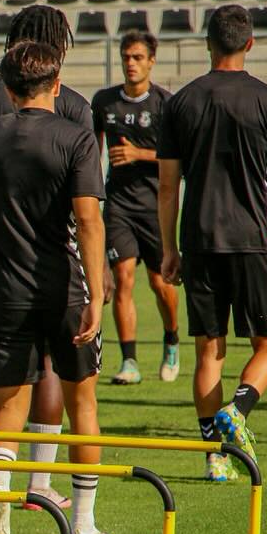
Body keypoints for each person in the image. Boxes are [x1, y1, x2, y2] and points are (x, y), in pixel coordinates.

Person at [0, 5, 92, 512]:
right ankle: (41, 479)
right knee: (48, 364)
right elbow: (85, 206)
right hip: (51, 255)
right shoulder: (68, 103)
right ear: (55, 52)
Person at [0, 40, 109, 534]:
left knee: (8, 406)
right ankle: (82, 523)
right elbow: (90, 220)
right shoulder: (76, 139)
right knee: (83, 403)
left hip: (4, 288)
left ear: (8, 90)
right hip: (64, 287)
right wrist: (97, 294)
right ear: (56, 84)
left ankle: (0, 504)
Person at [157, 4, 267, 482]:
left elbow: (168, 185)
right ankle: (236, 410)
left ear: (207, 43)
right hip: (255, 238)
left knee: (208, 350)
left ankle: (215, 458)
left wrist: (169, 248)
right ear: (250, 44)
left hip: (199, 238)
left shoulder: (181, 103)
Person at [91, 30, 180, 386]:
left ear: (151, 61)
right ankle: (129, 361)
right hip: (120, 208)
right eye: (126, 57)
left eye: (138, 57)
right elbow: (92, 152)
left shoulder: (165, 105)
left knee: (161, 284)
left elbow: (179, 162)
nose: (131, 63)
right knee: (123, 279)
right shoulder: (104, 103)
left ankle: (171, 339)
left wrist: (138, 154)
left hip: (157, 207)